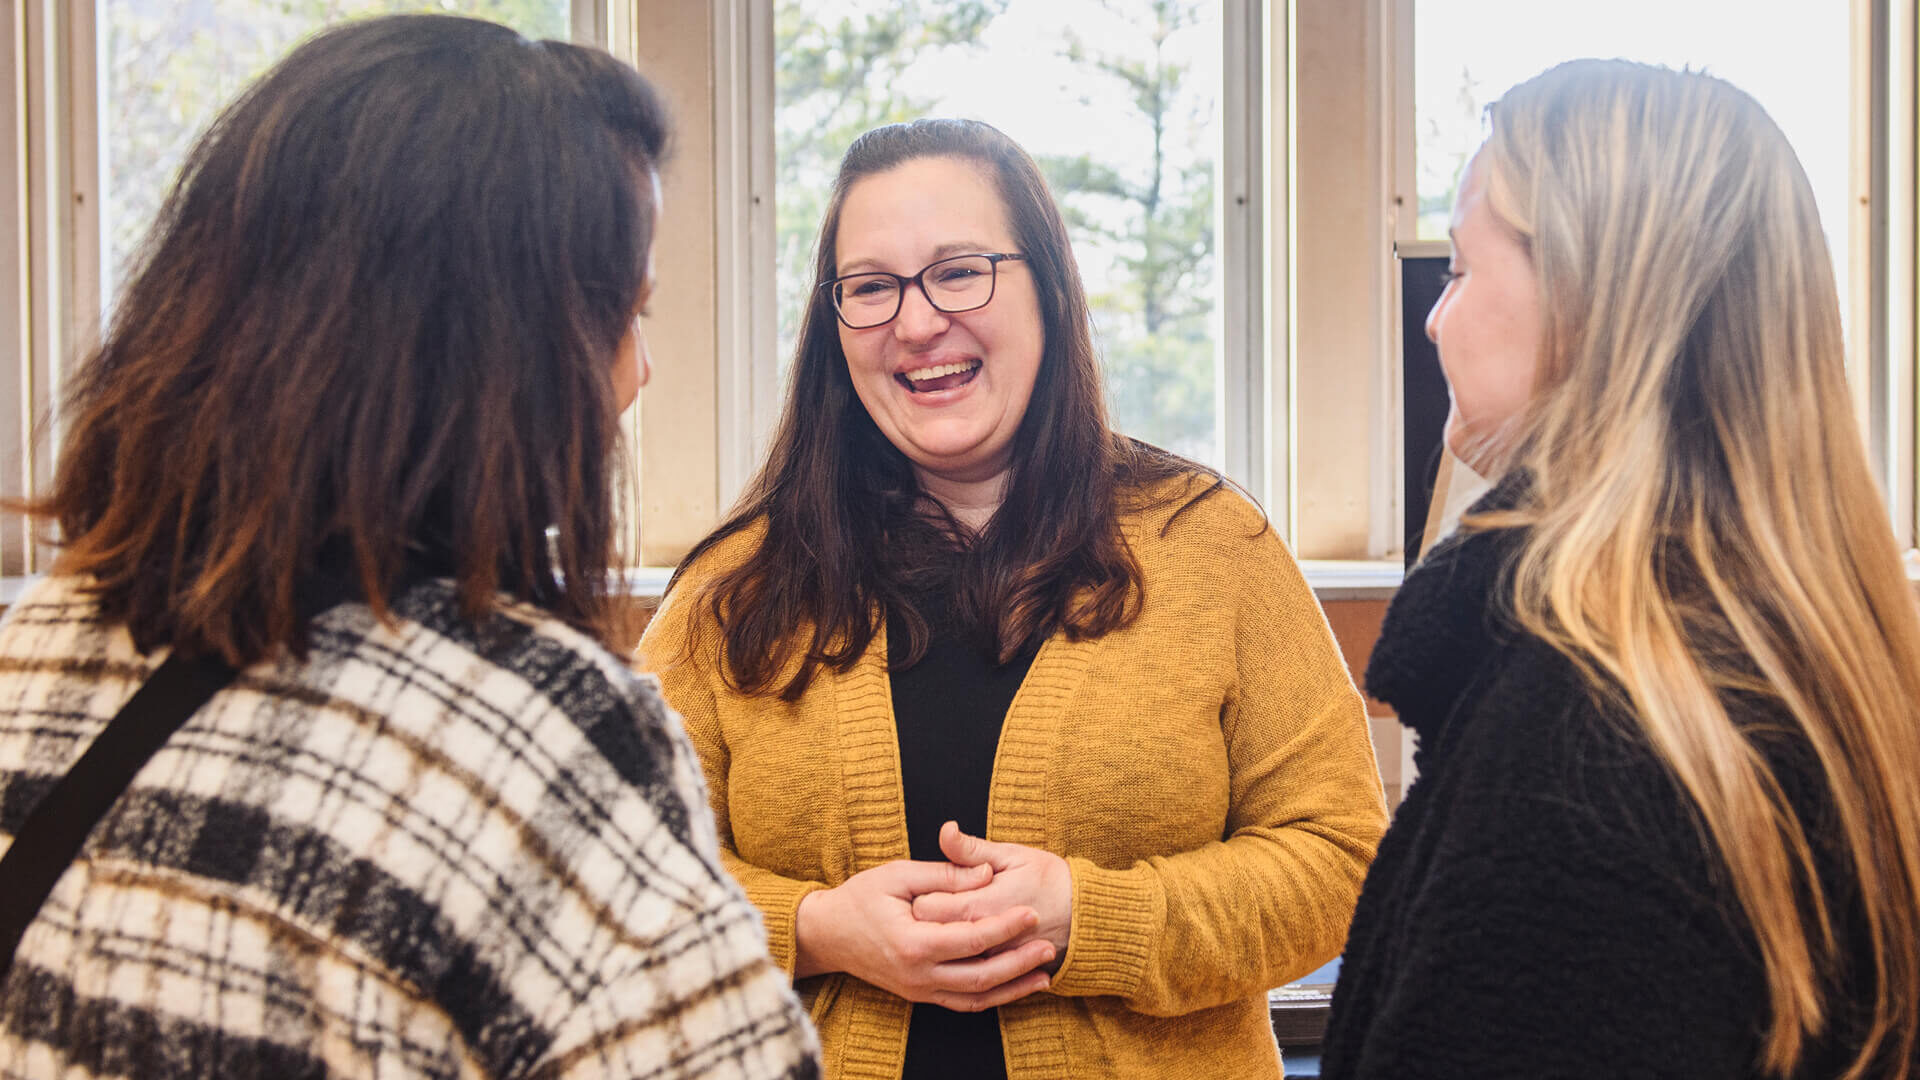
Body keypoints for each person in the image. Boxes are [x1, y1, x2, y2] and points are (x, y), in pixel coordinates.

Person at [0, 15, 820, 1078]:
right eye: (625, 315)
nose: (638, 375)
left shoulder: (36, 646)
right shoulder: (547, 732)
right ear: (497, 350)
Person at [638, 117, 1388, 1079]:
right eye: (870, 288)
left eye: (959, 272)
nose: (915, 324)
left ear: (1051, 288)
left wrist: (1090, 916)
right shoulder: (733, 585)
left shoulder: (1211, 545)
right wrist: (815, 930)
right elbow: (611, 881)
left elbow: (1340, 860)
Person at [1323, 59, 1920, 1079]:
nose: (1435, 319)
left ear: (1589, 299)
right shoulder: (1798, 666)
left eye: (1462, 271)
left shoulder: (1582, 742)